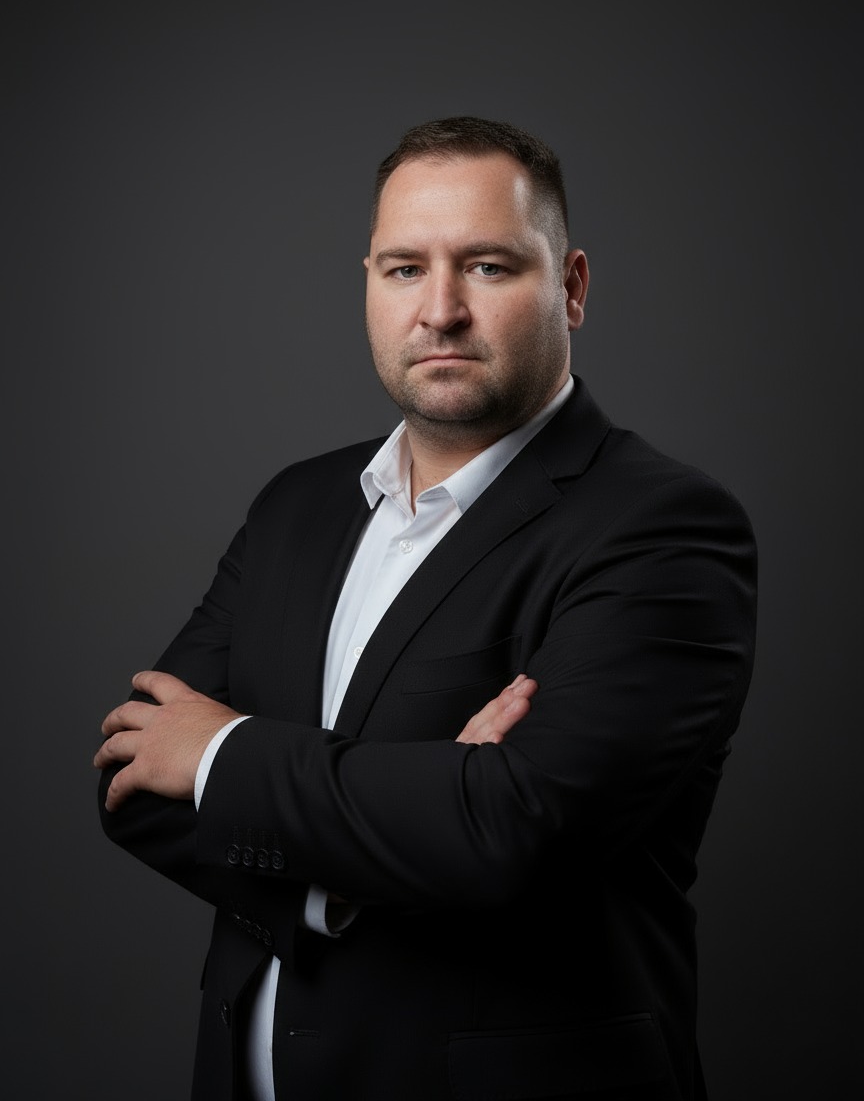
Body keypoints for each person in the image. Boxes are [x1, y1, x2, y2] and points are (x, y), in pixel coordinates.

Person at [95, 115, 758, 1101]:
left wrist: (222, 756)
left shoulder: (663, 528)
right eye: (405, 268)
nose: (439, 310)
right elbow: (137, 779)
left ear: (571, 287)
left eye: (487, 267)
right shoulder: (295, 507)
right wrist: (403, 824)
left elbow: (510, 828)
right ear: (368, 282)